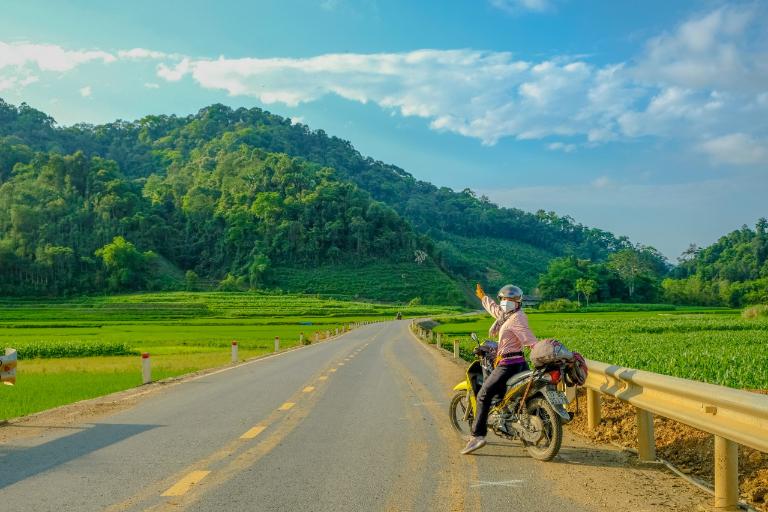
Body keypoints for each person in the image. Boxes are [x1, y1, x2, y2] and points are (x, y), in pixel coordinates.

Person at [461, 283, 538, 455]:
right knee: (511, 398)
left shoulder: (517, 318)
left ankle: (477, 436)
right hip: (519, 363)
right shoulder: (507, 316)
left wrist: (538, 348)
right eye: (504, 298)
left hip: (508, 365)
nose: (506, 301)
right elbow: (495, 310)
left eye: (511, 299)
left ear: (518, 302)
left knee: (483, 395)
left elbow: (528, 339)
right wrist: (483, 298)